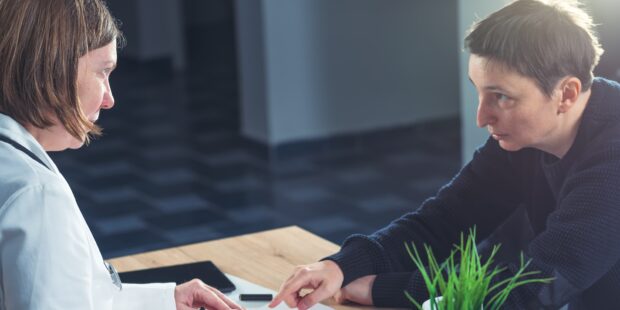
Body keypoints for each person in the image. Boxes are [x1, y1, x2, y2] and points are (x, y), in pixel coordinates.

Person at [269, 0, 620, 309]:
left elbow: (534, 288)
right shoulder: (524, 138)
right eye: (479, 93)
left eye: (502, 97)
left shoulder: (612, 158)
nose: (482, 117)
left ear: (567, 94)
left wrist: (383, 289)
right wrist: (342, 265)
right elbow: (443, 221)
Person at [0, 0, 242, 309]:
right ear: (52, 70)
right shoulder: (37, 196)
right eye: (102, 72)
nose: (109, 98)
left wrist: (166, 300)